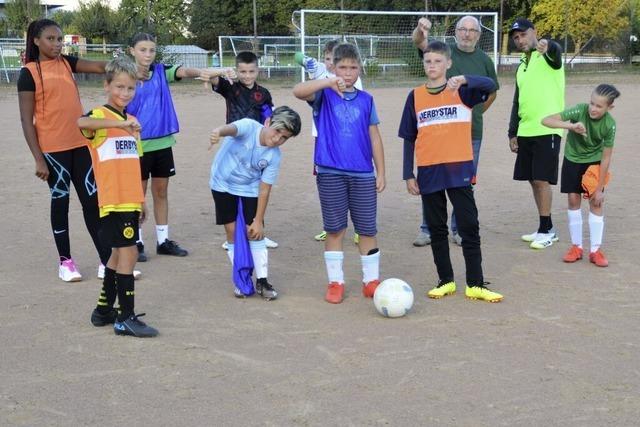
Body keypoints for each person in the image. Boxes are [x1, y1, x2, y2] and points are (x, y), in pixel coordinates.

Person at [398, 40, 503, 303]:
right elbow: (409, 137)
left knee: (469, 225)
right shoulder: (415, 96)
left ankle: (475, 283)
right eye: (428, 61)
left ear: (448, 63)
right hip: (429, 170)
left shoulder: (463, 91)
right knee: (437, 227)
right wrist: (408, 174)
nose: (432, 65)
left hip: (459, 169)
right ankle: (445, 280)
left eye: (437, 61)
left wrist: (465, 79)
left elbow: (491, 86)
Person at [17, 19, 111, 282]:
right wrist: (38, 159)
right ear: (36, 40)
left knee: (92, 203)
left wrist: (126, 66)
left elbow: (100, 67)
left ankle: (106, 260)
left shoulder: (67, 63)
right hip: (52, 152)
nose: (57, 44)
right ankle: (65, 262)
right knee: (61, 202)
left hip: (81, 145)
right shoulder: (29, 73)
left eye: (60, 40)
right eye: (51, 39)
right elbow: (26, 120)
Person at [293, 43, 386, 304]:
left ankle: (371, 280)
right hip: (330, 172)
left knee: (367, 229)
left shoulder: (367, 100)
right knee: (335, 229)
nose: (347, 72)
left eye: (353, 67)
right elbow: (298, 91)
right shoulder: (324, 94)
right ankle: (335, 282)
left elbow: (375, 138)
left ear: (360, 69)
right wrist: (326, 82)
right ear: (332, 67)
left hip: (363, 174)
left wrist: (381, 172)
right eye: (342, 67)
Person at [79, 57, 157, 337]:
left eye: (130, 89)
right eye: (119, 87)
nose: (125, 93)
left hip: (129, 199)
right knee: (130, 253)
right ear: (107, 85)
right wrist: (117, 125)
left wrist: (141, 200)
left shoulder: (133, 122)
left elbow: (134, 165)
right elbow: (80, 121)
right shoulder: (100, 117)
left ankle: (103, 311)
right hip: (112, 200)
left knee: (117, 253)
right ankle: (125, 317)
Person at [126, 33, 217, 261]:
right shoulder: (125, 74)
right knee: (137, 195)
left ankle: (162, 240)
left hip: (162, 143)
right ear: (132, 51)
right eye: (142, 50)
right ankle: (136, 242)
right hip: (136, 144)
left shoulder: (160, 71)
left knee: (161, 192)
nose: (148, 54)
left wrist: (201, 72)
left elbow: (183, 72)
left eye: (152, 50)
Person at [412, 16, 499, 247]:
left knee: (463, 184)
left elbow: (492, 91)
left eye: (472, 30)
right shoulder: (444, 53)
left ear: (479, 35)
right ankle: (427, 228)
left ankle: (457, 228)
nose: (467, 34)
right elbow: (419, 42)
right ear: (456, 32)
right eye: (463, 29)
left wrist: (474, 112)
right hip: (439, 131)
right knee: (432, 181)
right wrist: (421, 30)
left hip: (471, 133)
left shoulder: (484, 60)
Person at [208, 106, 302, 300]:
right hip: (222, 183)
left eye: (284, 138)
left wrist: (258, 220)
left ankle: (263, 280)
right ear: (267, 122)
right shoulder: (249, 127)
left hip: (249, 188)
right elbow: (232, 129)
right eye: (277, 131)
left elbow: (264, 189)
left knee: (255, 232)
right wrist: (219, 131)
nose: (277, 139)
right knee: (232, 231)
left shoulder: (274, 156)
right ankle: (241, 279)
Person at [541, 84, 620, 267]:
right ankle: (576, 247)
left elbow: (606, 157)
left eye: (599, 106)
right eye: (592, 103)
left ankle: (595, 250)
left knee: (596, 202)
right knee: (573, 200)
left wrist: (600, 188)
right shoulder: (579, 110)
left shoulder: (610, 125)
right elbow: (546, 120)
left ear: (609, 108)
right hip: (572, 160)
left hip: (594, 162)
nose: (593, 108)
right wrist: (570, 126)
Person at [209, 51, 280, 250]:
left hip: (257, 146)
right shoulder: (230, 88)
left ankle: (259, 230)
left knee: (256, 190)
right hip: (234, 144)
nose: (247, 76)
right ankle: (231, 235)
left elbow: (270, 117)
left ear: (257, 70)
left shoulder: (264, 93)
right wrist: (223, 72)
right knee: (232, 187)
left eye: (251, 71)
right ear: (237, 70)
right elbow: (211, 76)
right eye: (242, 71)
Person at [294, 39, 362, 245]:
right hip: (322, 137)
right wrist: (310, 64)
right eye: (327, 58)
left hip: (348, 137)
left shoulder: (352, 81)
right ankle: (331, 225)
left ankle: (359, 227)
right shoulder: (321, 75)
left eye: (334, 59)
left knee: (353, 183)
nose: (330, 62)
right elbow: (298, 61)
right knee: (327, 182)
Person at [508, 18, 565, 250]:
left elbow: (556, 52)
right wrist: (512, 131)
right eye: (516, 37)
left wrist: (547, 45)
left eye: (523, 34)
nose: (520, 39)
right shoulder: (521, 65)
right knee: (533, 179)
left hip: (548, 128)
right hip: (526, 130)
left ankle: (547, 231)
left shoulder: (549, 56)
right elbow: (516, 101)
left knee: (542, 179)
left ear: (534, 32)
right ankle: (545, 226)